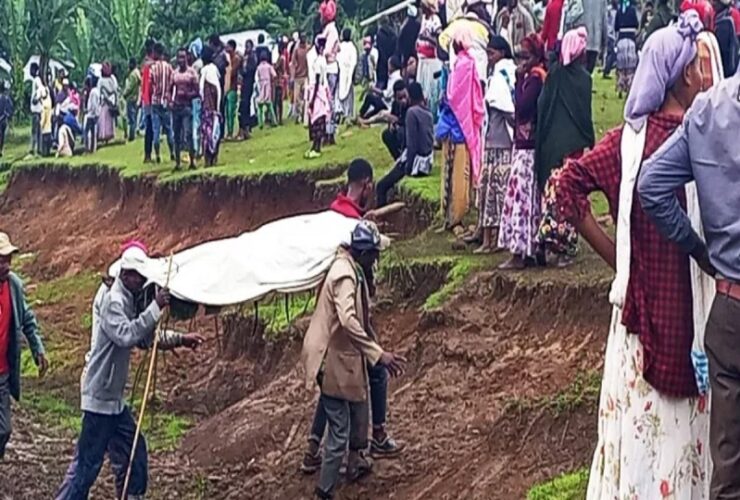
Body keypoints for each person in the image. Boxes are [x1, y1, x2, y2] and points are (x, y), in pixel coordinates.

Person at [553, 12, 716, 498]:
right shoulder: (701, 140)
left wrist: (621, 261)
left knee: (640, 431)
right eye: (700, 67)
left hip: (639, 319)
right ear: (684, 74)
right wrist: (620, 258)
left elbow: (566, 187)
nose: (707, 76)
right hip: (692, 312)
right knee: (682, 433)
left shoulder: (628, 143)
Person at [637, 27, 740, 500]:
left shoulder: (708, 110)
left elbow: (651, 186)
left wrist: (701, 249)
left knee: (729, 465)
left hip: (731, 309)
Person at [55, 246, 203, 500]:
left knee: (135, 453)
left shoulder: (129, 300)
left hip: (113, 402)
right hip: (100, 398)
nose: (142, 281)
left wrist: (180, 339)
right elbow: (127, 334)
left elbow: (144, 338)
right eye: (138, 276)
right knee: (86, 467)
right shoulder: (113, 301)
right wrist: (155, 307)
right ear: (126, 274)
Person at [302, 160, 405, 474]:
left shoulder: (339, 212)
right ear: (368, 184)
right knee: (370, 374)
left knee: (332, 387)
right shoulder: (348, 253)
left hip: (328, 332)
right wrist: (377, 353)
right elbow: (348, 318)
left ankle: (312, 447)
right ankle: (370, 441)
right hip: (340, 328)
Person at [535, 27, 594, 267]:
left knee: (551, 194)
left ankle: (546, 242)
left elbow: (543, 108)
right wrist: (589, 139)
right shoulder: (583, 79)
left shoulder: (554, 76)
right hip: (572, 150)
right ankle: (564, 248)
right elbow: (583, 116)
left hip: (551, 146)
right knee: (569, 195)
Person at [497, 34, 547, 269]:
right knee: (526, 199)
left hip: (528, 149)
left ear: (536, 57)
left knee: (521, 198)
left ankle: (520, 252)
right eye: (518, 56)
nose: (520, 61)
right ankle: (529, 248)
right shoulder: (534, 77)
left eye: (525, 56)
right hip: (527, 146)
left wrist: (518, 81)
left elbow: (523, 109)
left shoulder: (535, 79)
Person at [0, 232, 48, 460]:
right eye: (1, 259)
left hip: (2, 372)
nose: (5, 265)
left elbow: (27, 318)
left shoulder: (14, 286)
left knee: (4, 430)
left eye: (8, 259)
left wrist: (37, 348)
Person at [474, 36, 516, 253]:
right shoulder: (510, 72)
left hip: (497, 143)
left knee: (492, 192)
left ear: (501, 52)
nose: (489, 58)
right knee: (498, 191)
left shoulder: (499, 77)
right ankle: (492, 238)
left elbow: (505, 108)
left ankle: (490, 241)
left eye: (492, 53)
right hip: (504, 141)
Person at [376, 83, 434, 207]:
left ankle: (380, 218)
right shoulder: (428, 112)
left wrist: (407, 168)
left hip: (416, 165)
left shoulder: (411, 113)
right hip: (427, 163)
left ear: (410, 96)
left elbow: (412, 145)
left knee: (381, 186)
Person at [441, 2, 494, 86]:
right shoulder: (484, 29)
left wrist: (450, 50)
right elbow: (492, 47)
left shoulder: (454, 25)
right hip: (479, 75)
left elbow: (441, 43)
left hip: (457, 75)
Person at [171, 48, 199, 170]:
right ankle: (177, 163)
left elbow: (197, 92)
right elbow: (169, 89)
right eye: (179, 57)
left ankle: (192, 161)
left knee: (188, 134)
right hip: (176, 107)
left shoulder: (192, 73)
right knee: (176, 135)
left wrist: (187, 95)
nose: (181, 60)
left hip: (187, 106)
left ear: (187, 58)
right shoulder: (174, 74)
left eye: (183, 57)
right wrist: (169, 101)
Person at [417, 0, 443, 121]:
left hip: (432, 60)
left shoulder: (435, 20)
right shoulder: (422, 19)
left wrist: (427, 38)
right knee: (422, 88)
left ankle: (432, 115)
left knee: (432, 90)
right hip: (422, 59)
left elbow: (439, 41)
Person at [306, 37, 332, 159]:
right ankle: (315, 146)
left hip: (317, 92)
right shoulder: (322, 60)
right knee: (319, 119)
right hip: (321, 89)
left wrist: (311, 100)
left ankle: (316, 147)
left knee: (317, 120)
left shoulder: (318, 61)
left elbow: (317, 80)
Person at [358, 56, 404, 123]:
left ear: (392, 66)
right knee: (370, 114)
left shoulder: (396, 78)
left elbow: (387, 94)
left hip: (388, 105)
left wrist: (374, 89)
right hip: (385, 102)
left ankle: (360, 115)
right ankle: (362, 118)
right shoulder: (392, 76)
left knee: (370, 97)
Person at [150, 43, 175, 163]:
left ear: (155, 53)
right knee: (169, 129)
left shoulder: (153, 68)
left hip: (155, 102)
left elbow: (151, 86)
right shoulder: (169, 67)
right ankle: (172, 153)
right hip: (166, 101)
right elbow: (172, 84)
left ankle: (158, 155)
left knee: (156, 130)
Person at [320, 0, 340, 145]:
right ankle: (327, 132)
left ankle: (329, 133)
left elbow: (327, 51)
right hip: (329, 68)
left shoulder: (331, 31)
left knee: (328, 102)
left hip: (330, 69)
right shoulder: (330, 30)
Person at [200, 46, 223, 167]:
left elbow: (206, 92)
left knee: (208, 135)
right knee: (214, 134)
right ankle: (213, 159)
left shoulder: (206, 72)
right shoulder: (214, 71)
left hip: (208, 109)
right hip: (215, 109)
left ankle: (209, 160)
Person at [615, 0, 640, 97]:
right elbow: (636, 24)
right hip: (631, 40)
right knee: (630, 67)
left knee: (621, 67)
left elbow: (616, 27)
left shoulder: (619, 10)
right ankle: (629, 87)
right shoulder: (633, 10)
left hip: (621, 40)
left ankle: (620, 87)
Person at [336, 29, 358, 122]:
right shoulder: (352, 48)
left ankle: (340, 109)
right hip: (349, 72)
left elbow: (337, 59)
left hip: (342, 71)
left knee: (340, 91)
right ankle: (347, 113)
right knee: (348, 92)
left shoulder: (340, 47)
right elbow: (354, 62)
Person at [140, 39, 156, 163]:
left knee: (149, 129)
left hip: (146, 101)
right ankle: (150, 154)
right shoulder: (150, 66)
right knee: (152, 128)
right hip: (151, 101)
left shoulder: (145, 65)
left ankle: (148, 155)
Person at [712, 0, 739, 77]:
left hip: (729, 57)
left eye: (716, 2)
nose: (714, 4)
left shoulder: (734, 15)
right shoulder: (714, 14)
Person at [239, 40, 258, 139]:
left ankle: (246, 129)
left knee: (246, 106)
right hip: (244, 85)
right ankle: (243, 130)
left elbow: (249, 70)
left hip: (249, 84)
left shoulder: (252, 58)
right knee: (243, 107)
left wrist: (245, 63)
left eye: (248, 46)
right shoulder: (244, 58)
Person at [290, 33, 310, 124]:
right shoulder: (296, 50)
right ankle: (299, 115)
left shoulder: (308, 49)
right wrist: (292, 76)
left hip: (306, 77)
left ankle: (303, 115)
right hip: (298, 77)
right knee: (297, 99)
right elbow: (293, 64)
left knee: (305, 98)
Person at [97, 63, 119, 144]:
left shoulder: (101, 81)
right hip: (110, 102)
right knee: (108, 120)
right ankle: (108, 136)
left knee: (104, 120)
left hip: (105, 103)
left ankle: (104, 136)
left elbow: (99, 92)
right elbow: (115, 91)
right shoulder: (112, 79)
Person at [224, 40, 241, 139]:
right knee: (227, 111)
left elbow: (232, 72)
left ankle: (230, 132)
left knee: (231, 111)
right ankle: (228, 132)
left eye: (228, 47)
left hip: (232, 87)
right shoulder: (227, 59)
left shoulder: (236, 59)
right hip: (226, 87)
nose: (226, 49)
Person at [256, 52, 278, 128]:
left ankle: (260, 123)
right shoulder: (269, 66)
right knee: (270, 105)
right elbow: (274, 75)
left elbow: (257, 77)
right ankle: (274, 121)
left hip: (261, 85)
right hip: (268, 85)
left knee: (260, 107)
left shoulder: (258, 67)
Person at [398, 5, 422, 72]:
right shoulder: (418, 25)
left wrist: (400, 51)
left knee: (405, 66)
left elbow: (400, 39)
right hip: (415, 49)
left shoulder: (404, 26)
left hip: (406, 50)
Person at [376, 17, 399, 89]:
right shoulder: (394, 33)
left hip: (382, 63)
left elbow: (380, 49)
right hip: (392, 61)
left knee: (382, 83)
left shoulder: (379, 34)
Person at [123, 58, 142, 142]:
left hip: (131, 98)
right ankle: (132, 134)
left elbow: (129, 87)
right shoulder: (137, 72)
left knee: (131, 118)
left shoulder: (133, 75)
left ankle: (131, 135)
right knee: (134, 116)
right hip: (136, 97)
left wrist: (124, 94)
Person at [29, 63, 44, 156]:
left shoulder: (37, 80)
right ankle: (38, 149)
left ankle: (33, 149)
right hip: (37, 110)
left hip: (36, 110)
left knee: (35, 131)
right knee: (38, 130)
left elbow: (41, 91)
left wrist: (36, 99)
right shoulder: (36, 80)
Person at [84, 77, 101, 153]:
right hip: (94, 114)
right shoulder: (97, 91)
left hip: (91, 114)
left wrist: (94, 113)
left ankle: (89, 148)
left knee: (88, 132)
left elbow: (94, 104)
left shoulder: (93, 92)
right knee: (93, 132)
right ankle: (92, 148)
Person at [274, 40, 288, 126]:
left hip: (279, 80)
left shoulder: (281, 58)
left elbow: (277, 67)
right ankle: (279, 118)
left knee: (278, 100)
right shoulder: (282, 57)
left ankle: (278, 118)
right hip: (281, 80)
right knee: (279, 101)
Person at [603, 0, 618, 78]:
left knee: (610, 53)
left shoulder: (616, 11)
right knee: (610, 53)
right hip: (610, 34)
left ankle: (606, 69)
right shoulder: (609, 10)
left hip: (613, 35)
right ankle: (606, 70)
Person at [0, 82, 13, 157]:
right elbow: (9, 110)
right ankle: (1, 149)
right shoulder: (6, 99)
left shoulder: (5, 99)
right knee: (2, 136)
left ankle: (1, 149)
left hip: (2, 119)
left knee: (1, 136)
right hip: (3, 119)